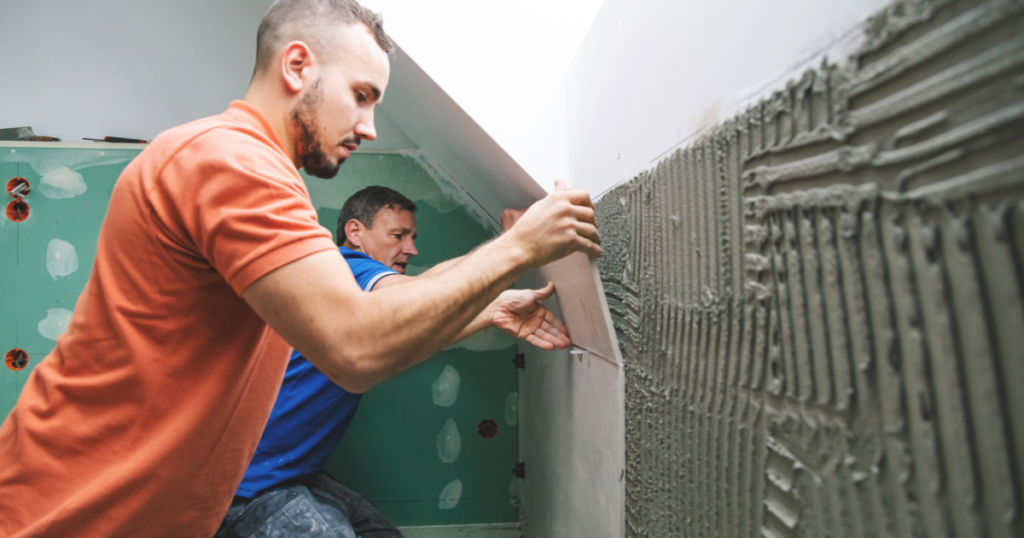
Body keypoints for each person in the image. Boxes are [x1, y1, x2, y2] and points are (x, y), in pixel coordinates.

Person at [0, 0, 601, 536]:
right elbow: (357, 346)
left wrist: (491, 304)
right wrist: (518, 246)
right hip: (64, 509)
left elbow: (375, 309)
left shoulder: (248, 165)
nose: (368, 126)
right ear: (296, 67)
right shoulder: (231, 162)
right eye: (362, 95)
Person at [217, 186, 566, 538]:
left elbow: (414, 322)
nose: (411, 248)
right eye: (398, 235)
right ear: (355, 233)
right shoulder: (345, 266)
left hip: (293, 471)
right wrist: (512, 242)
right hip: (253, 482)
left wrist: (492, 311)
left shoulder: (350, 296)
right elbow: (417, 297)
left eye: (412, 237)